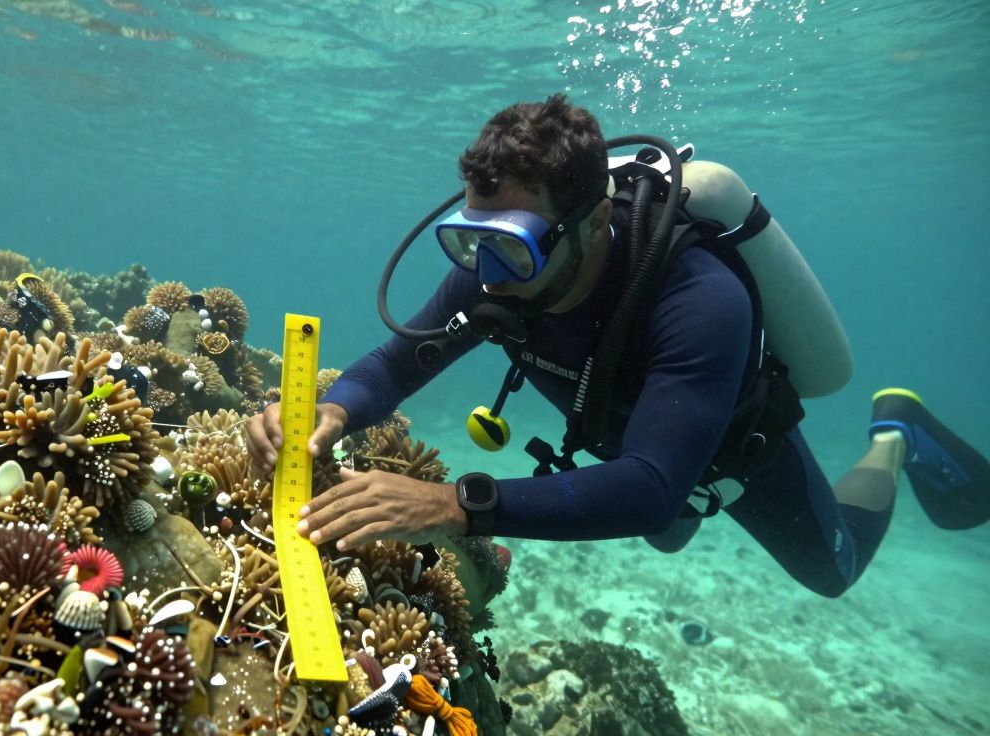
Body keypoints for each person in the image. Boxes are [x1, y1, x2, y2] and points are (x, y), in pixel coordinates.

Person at [244, 94, 990, 597]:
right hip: (632, 447)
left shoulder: (700, 299)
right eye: (471, 240)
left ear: (594, 223)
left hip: (725, 457)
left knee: (833, 571)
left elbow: (650, 489)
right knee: (666, 534)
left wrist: (455, 503)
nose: (488, 273)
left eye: (512, 245)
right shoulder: (495, 270)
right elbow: (396, 362)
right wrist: (332, 412)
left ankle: (895, 435)